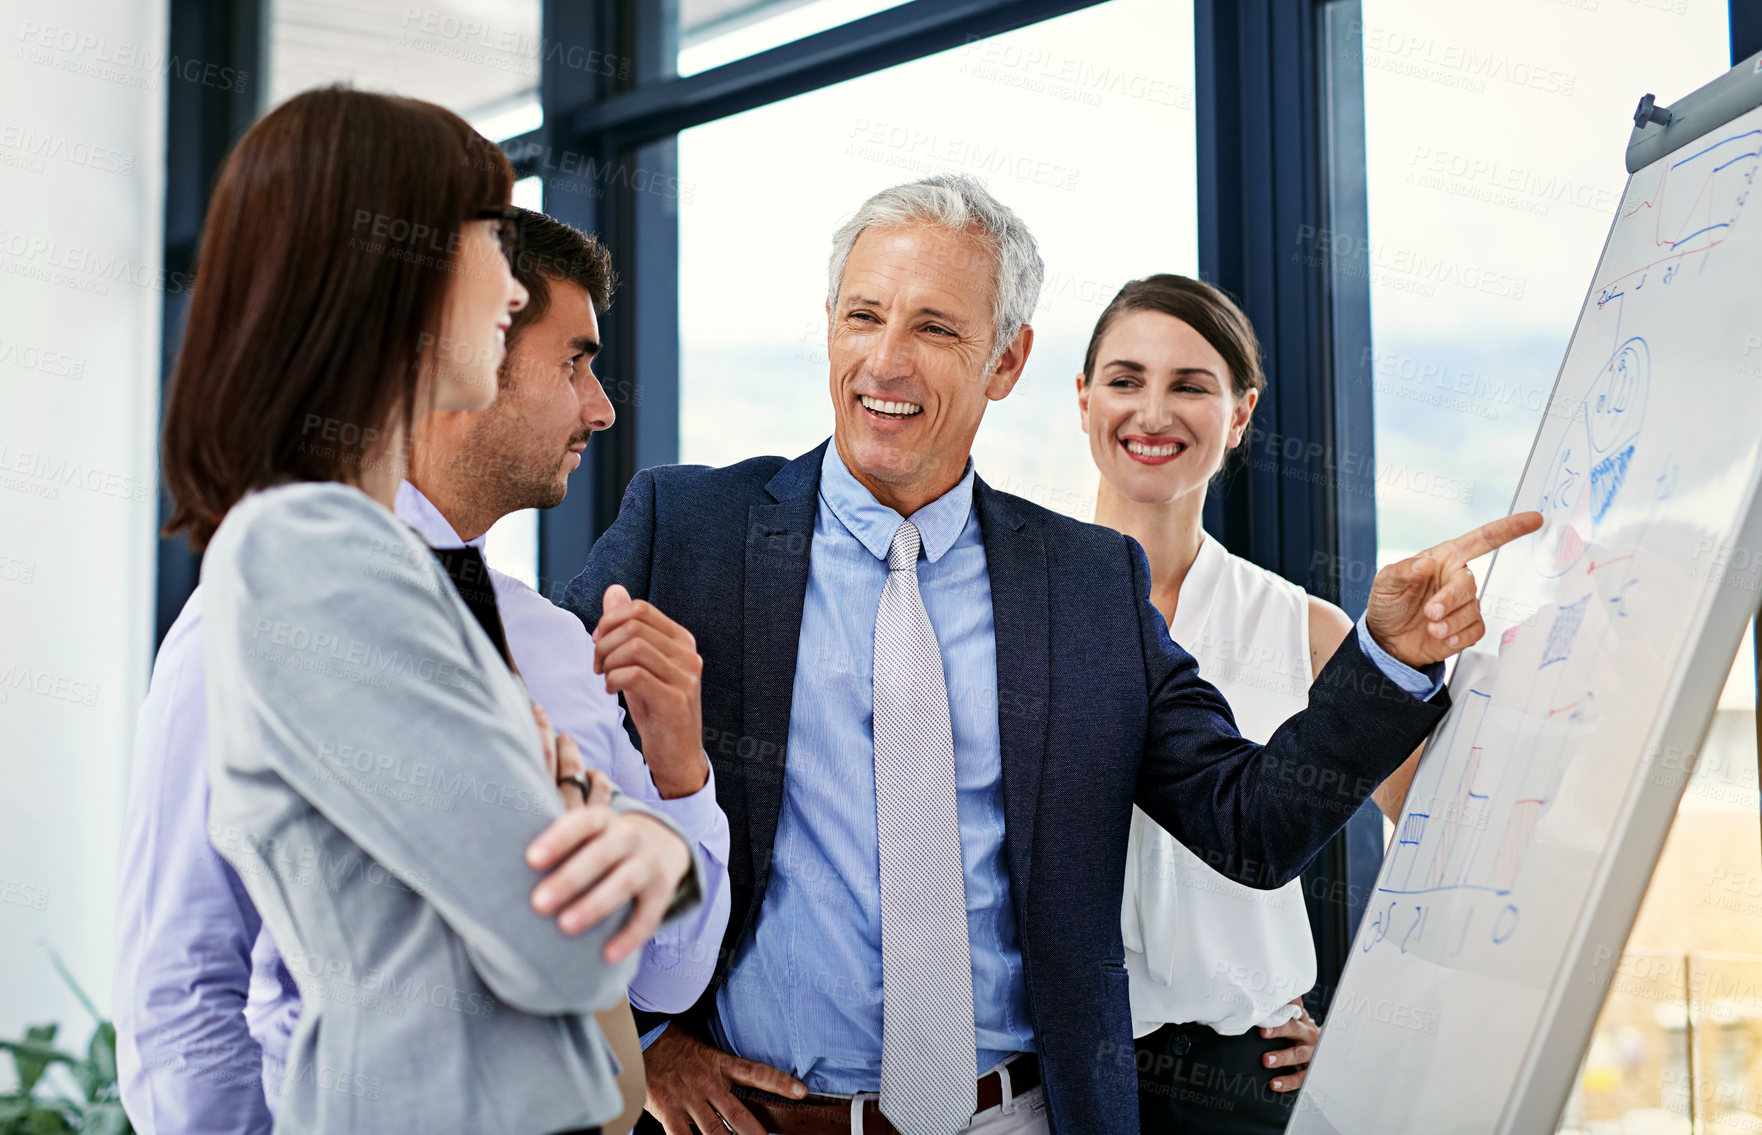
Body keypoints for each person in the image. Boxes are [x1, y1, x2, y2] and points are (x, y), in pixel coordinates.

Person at [566, 173, 1540, 1135]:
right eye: (863, 316)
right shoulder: (685, 530)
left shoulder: (1085, 583)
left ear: (1006, 359)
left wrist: (1388, 656)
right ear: (829, 324)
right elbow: (531, 758)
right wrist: (645, 1034)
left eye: (935, 328)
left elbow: (1251, 824)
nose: (886, 362)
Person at [144, 87, 699, 1135]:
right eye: (490, 236)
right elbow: (560, 942)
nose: (510, 283)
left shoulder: (377, 565)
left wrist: (630, 835)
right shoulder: (311, 558)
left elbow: (598, 882)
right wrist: (610, 833)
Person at [1076, 273, 1420, 1133]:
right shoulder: (1009, 602)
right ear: (1083, 401)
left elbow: (1440, 844)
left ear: (1239, 413)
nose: (1152, 412)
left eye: (1191, 385)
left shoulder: (1307, 629)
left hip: (1242, 1082)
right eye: (1125, 380)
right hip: (1051, 1067)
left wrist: (1366, 1023)